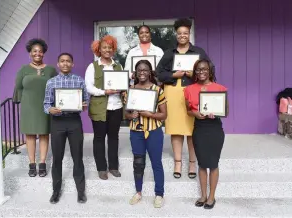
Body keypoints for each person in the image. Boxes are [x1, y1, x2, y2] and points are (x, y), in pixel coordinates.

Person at [156, 18, 214, 179]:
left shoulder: (198, 52)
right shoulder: (170, 53)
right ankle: (177, 162)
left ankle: (192, 163)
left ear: (189, 34)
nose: (182, 36)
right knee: (176, 129)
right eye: (180, 33)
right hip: (173, 93)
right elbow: (159, 73)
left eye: (185, 33)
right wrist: (174, 75)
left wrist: (193, 74)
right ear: (176, 35)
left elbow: (210, 69)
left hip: (193, 91)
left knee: (192, 130)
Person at [43, 53, 89, 204]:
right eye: (62, 61)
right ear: (58, 64)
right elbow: (46, 104)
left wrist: (83, 105)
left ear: (72, 64)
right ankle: (56, 191)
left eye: (68, 61)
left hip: (74, 121)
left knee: (77, 157)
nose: (65, 63)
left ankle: (81, 191)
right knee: (57, 158)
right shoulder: (51, 82)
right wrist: (50, 110)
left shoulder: (79, 81)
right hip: (57, 122)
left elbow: (86, 100)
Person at [184, 59, 228, 209]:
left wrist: (215, 112)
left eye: (204, 69)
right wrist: (195, 113)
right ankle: (203, 195)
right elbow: (188, 111)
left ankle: (211, 196)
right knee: (202, 164)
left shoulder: (220, 88)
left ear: (210, 71)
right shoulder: (189, 89)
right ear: (195, 72)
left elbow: (226, 112)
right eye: (198, 69)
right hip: (199, 128)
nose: (201, 72)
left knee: (213, 164)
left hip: (214, 128)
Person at [125, 60, 167, 208]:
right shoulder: (130, 90)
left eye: (145, 70)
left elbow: (164, 115)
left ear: (150, 72)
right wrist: (132, 116)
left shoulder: (157, 90)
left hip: (154, 131)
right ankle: (138, 192)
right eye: (139, 70)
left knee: (156, 162)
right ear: (136, 73)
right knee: (138, 163)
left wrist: (150, 114)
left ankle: (159, 194)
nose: (142, 72)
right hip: (136, 131)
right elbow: (126, 114)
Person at [13, 38, 57, 177]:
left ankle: (42, 163)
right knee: (30, 135)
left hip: (45, 106)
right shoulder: (23, 69)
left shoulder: (50, 70)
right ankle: (32, 164)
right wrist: (18, 101)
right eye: (34, 51)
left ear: (44, 53)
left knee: (44, 134)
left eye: (40, 51)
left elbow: (57, 87)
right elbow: (18, 87)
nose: (37, 53)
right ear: (30, 53)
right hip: (28, 107)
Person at [85, 35, 124, 180]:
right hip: (99, 107)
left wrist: (124, 86)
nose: (107, 50)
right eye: (104, 48)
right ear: (99, 50)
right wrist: (104, 92)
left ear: (113, 49)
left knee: (114, 137)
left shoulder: (118, 66)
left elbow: (122, 83)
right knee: (99, 138)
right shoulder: (93, 66)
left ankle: (113, 167)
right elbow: (88, 87)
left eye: (110, 47)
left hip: (116, 106)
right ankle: (101, 168)